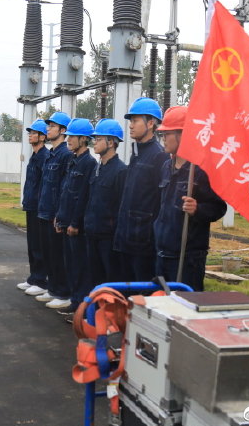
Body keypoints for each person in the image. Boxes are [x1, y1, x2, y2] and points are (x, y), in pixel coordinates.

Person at [154, 106, 227, 291]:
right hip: (163, 253)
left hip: (187, 259)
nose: (163, 139)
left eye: (167, 134)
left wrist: (198, 209)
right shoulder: (166, 167)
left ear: (183, 135)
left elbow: (219, 207)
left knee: (184, 303)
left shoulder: (201, 170)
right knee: (163, 303)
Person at [113, 98, 168, 281]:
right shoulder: (137, 153)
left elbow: (161, 202)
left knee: (141, 289)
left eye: (135, 120)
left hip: (144, 243)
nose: (130, 125)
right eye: (131, 121)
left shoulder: (159, 156)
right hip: (127, 238)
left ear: (150, 123)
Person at [24, 112, 73, 306]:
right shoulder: (52, 154)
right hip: (43, 210)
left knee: (56, 255)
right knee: (48, 252)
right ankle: (52, 287)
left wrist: (59, 214)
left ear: (63, 130)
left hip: (53, 213)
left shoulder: (65, 155)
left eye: (52, 126)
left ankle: (60, 291)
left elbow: (63, 188)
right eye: (48, 126)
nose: (48, 129)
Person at [54, 118, 97, 312]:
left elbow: (83, 197)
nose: (68, 139)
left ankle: (80, 304)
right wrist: (59, 216)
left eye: (73, 136)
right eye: (68, 136)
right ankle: (74, 300)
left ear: (84, 139)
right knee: (69, 265)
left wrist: (74, 223)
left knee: (80, 267)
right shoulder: (72, 161)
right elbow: (65, 191)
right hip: (65, 220)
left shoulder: (89, 163)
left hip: (76, 226)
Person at [84, 119, 127, 286]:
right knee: (94, 279)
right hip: (92, 233)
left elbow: (121, 208)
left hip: (108, 239)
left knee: (110, 280)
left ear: (111, 142)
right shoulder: (97, 168)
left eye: (99, 139)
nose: (94, 142)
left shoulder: (121, 171)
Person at [17, 119, 49, 292]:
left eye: (34, 133)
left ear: (42, 137)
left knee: (38, 245)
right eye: (30, 133)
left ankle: (41, 281)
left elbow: (44, 184)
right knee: (32, 244)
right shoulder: (35, 156)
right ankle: (33, 277)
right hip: (31, 205)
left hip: (38, 207)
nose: (30, 135)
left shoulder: (44, 157)